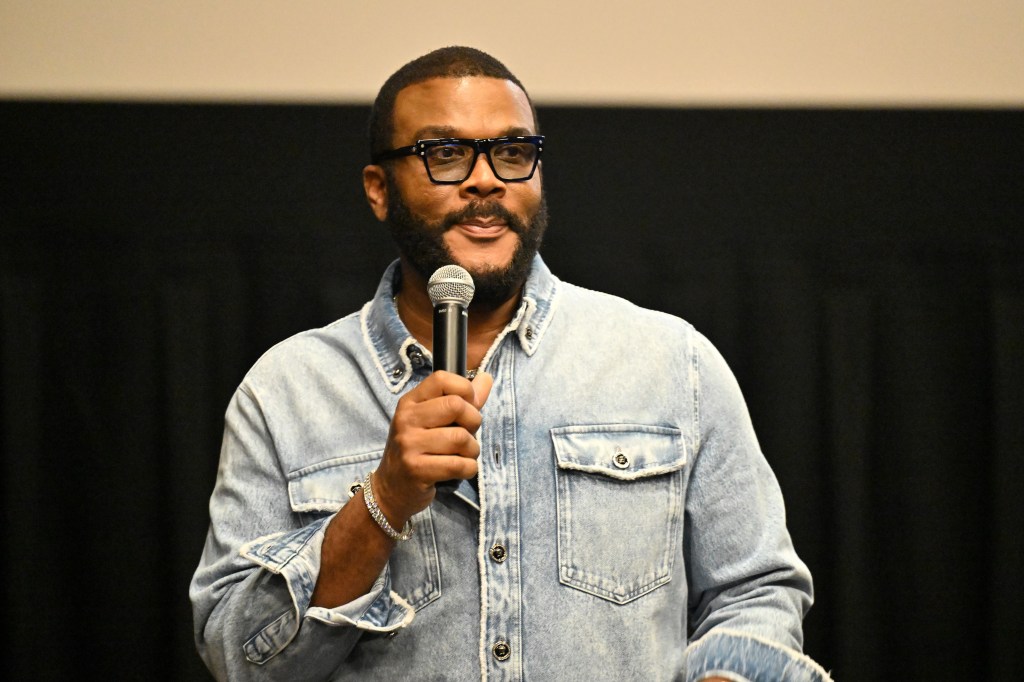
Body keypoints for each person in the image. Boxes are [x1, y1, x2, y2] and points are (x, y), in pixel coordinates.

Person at [190, 46, 833, 681]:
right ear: (378, 190)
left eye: (513, 152)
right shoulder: (286, 391)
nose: (486, 178)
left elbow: (757, 594)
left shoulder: (671, 364)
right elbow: (234, 656)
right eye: (444, 154)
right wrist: (382, 500)